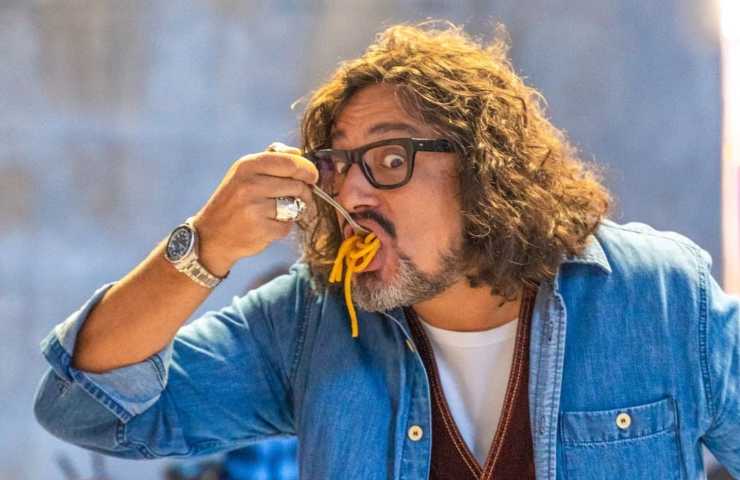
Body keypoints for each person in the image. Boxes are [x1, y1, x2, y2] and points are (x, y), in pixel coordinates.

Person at [34, 22, 739, 479]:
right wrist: (205, 247)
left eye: (389, 160)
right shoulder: (311, 321)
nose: (352, 193)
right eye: (337, 165)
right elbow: (87, 407)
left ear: (485, 171)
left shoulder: (660, 297)